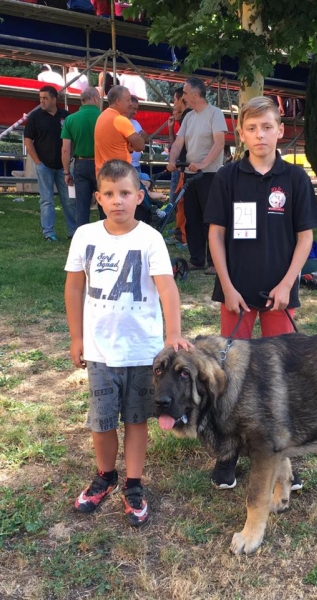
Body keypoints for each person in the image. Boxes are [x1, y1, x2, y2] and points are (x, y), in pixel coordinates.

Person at [65, 159, 191, 526]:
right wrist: (77, 337)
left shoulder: (150, 238)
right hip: (101, 352)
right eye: (108, 193)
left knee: (136, 420)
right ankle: (105, 476)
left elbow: (167, 287)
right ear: (98, 198)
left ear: (139, 196)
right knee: (102, 422)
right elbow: (74, 287)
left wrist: (172, 334)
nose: (117, 200)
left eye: (124, 193)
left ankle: (134, 485)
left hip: (142, 353)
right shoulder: (85, 236)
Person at [204, 96, 317, 489]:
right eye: (251, 128)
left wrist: (288, 283)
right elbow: (215, 235)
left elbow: (305, 238)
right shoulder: (227, 178)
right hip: (235, 294)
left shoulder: (295, 179)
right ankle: (227, 455)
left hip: (280, 295)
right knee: (229, 374)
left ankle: (284, 459)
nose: (260, 135)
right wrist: (227, 286)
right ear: (241, 132)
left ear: (280, 130)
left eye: (267, 127)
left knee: (284, 375)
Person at [167, 77, 227, 275]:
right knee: (191, 217)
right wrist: (172, 159)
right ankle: (197, 259)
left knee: (211, 219)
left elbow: (219, 144)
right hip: (190, 175)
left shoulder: (214, 114)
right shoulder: (189, 117)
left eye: (184, 93)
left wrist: (203, 163)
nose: (182, 97)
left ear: (194, 93)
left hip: (210, 175)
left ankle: (214, 262)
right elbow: (178, 142)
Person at [24, 85, 77, 241]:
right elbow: (28, 141)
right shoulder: (35, 117)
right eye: (40, 98)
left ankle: (73, 232)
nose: (42, 101)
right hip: (44, 166)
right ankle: (48, 232)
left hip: (64, 167)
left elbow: (72, 140)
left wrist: (71, 158)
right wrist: (38, 162)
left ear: (55, 99)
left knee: (69, 200)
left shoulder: (66, 116)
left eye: (45, 98)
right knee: (46, 200)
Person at [61, 86, 104, 227]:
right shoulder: (104, 117)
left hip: (80, 164)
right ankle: (108, 236)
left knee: (82, 207)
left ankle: (81, 239)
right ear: (95, 98)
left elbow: (66, 150)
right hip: (102, 165)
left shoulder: (70, 119)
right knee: (105, 204)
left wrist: (67, 172)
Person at [94, 85, 145, 176]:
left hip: (103, 173)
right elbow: (140, 146)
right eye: (128, 100)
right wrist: (131, 144)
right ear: (118, 101)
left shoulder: (101, 116)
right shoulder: (120, 119)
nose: (130, 104)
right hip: (119, 174)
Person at [165, 87, 192, 247]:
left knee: (182, 202)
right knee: (179, 201)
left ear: (182, 99)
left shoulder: (188, 117)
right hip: (182, 166)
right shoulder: (184, 119)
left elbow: (181, 145)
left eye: (175, 100)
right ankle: (179, 232)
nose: (174, 104)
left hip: (187, 167)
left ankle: (183, 236)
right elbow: (175, 145)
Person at [128, 95, 150, 175]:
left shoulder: (136, 123)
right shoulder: (120, 121)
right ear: (128, 106)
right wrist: (137, 138)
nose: (135, 112)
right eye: (134, 109)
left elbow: (147, 138)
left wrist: (135, 138)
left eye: (136, 109)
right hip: (125, 166)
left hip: (136, 166)